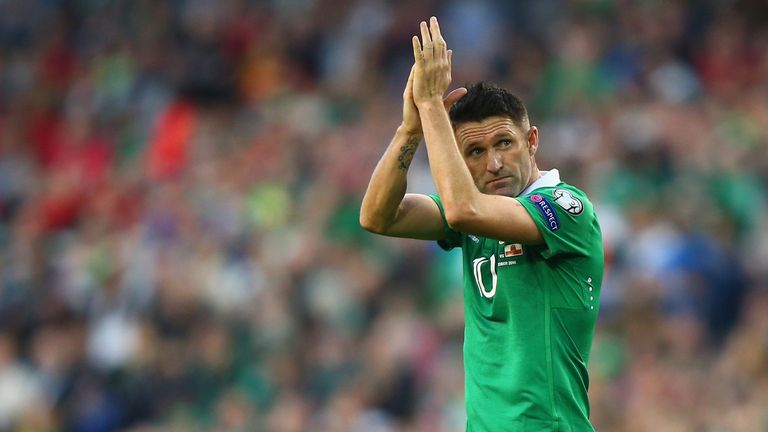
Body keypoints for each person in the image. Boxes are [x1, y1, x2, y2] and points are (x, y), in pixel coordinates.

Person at [360, 16, 604, 431]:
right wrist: (410, 128)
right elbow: (377, 216)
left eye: (504, 143)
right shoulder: (475, 213)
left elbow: (461, 210)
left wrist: (433, 104)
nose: (492, 163)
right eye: (473, 151)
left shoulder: (566, 208)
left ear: (532, 142)